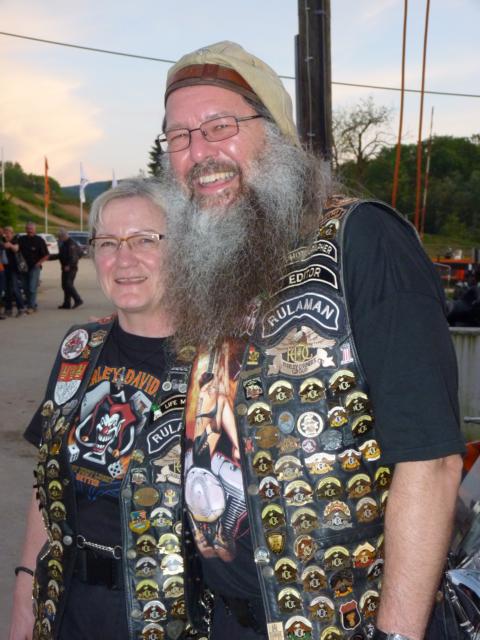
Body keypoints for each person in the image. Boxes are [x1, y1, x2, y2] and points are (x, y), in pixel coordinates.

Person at [156, 42, 465, 640]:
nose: (199, 153)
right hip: (223, 620)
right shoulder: (213, 267)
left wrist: (395, 635)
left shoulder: (363, 239)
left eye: (220, 127)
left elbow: (432, 461)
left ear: (276, 133)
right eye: (179, 136)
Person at [8, 178, 196, 640]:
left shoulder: (218, 364)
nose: (123, 259)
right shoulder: (80, 347)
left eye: (144, 240)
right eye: (108, 242)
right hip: (67, 605)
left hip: (169, 616)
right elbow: (46, 485)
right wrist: (25, 590)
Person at [18, 222, 49, 313]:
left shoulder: (39, 240)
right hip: (23, 268)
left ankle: (31, 306)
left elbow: (46, 255)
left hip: (34, 268)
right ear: (25, 229)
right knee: (25, 288)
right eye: (28, 228)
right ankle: (32, 304)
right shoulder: (21, 239)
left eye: (31, 229)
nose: (29, 230)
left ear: (35, 230)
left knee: (32, 288)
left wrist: (39, 263)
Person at [49, 229, 84, 310]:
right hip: (66, 267)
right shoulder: (65, 243)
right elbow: (61, 255)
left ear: (63, 236)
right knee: (65, 285)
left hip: (70, 268)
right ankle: (67, 303)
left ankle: (78, 300)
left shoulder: (70, 244)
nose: (58, 239)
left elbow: (74, 256)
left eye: (59, 237)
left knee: (67, 284)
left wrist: (69, 265)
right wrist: (49, 257)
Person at [2, 225, 27, 317]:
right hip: (5, 269)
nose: (6, 234)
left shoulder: (15, 240)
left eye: (8, 233)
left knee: (15, 289)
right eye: (5, 232)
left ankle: (21, 309)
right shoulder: (3, 240)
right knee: (7, 290)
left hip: (14, 269)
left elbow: (16, 249)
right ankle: (8, 309)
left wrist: (10, 245)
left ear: (12, 233)